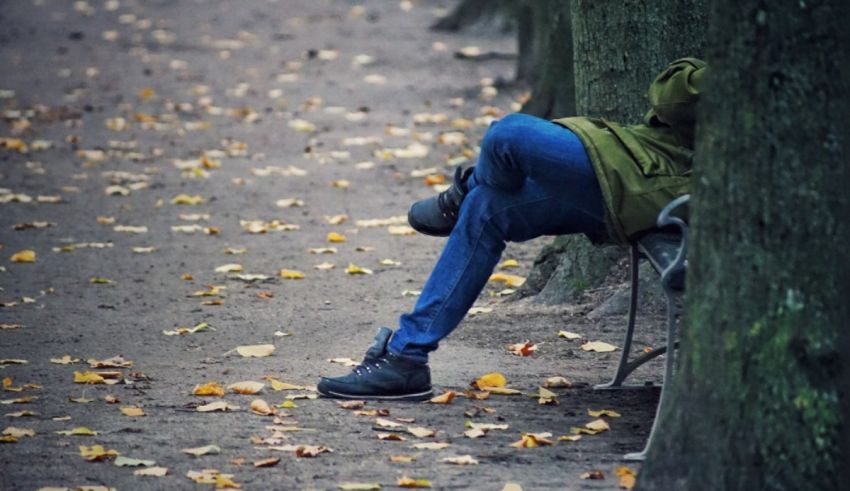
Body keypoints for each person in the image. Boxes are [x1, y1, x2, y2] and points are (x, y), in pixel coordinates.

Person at [317, 58, 706, 401]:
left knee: (508, 134)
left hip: (654, 184)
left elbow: (672, 96)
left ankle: (460, 192)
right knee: (487, 206)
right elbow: (669, 97)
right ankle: (406, 359)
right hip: (639, 168)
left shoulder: (760, 75)